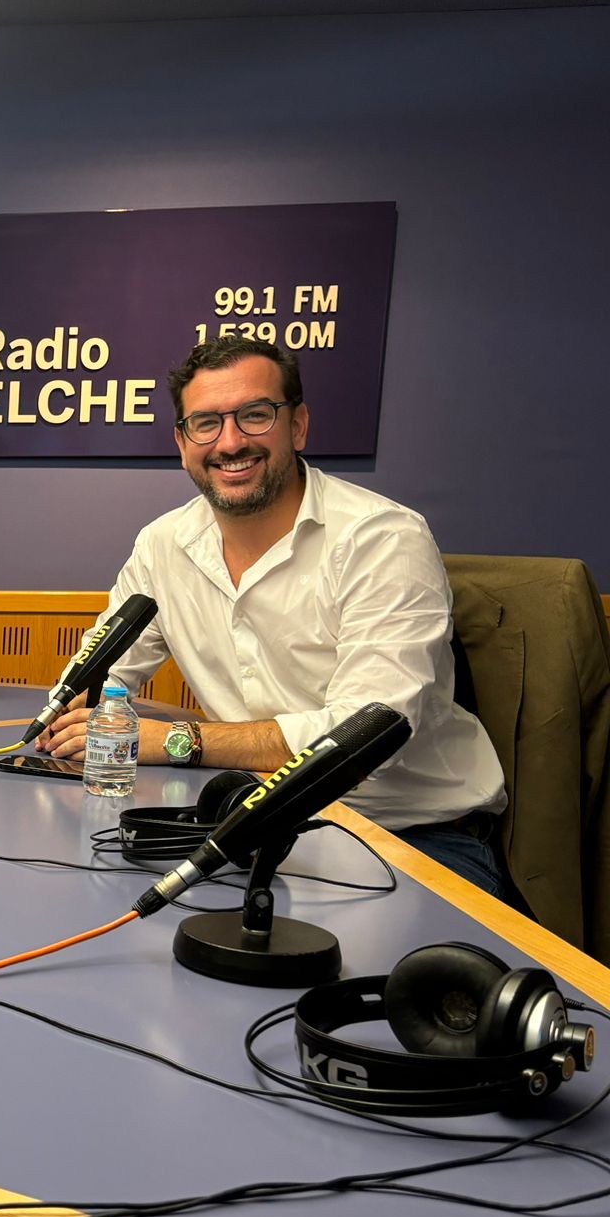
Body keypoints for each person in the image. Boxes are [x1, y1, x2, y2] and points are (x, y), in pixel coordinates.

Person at [38, 334, 508, 894]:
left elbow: (364, 736)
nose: (230, 442)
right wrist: (74, 718)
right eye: (206, 423)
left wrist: (179, 741)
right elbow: (96, 680)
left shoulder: (383, 539)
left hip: (408, 837)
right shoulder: (162, 544)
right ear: (182, 443)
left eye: (255, 416)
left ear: (298, 426)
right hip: (253, 827)